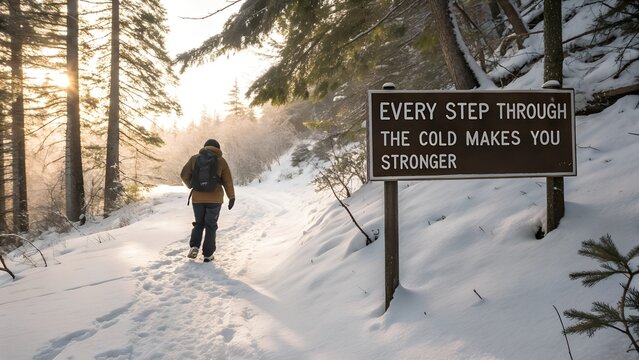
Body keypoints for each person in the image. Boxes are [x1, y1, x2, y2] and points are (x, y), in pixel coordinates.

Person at [180, 139, 235, 262]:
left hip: (197, 198)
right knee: (210, 226)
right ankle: (208, 255)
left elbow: (183, 175)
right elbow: (228, 181)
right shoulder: (221, 161)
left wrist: (191, 186)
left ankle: (194, 246)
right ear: (218, 148)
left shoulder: (194, 159)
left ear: (205, 147)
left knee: (199, 224)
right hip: (215, 200)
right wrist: (231, 197)